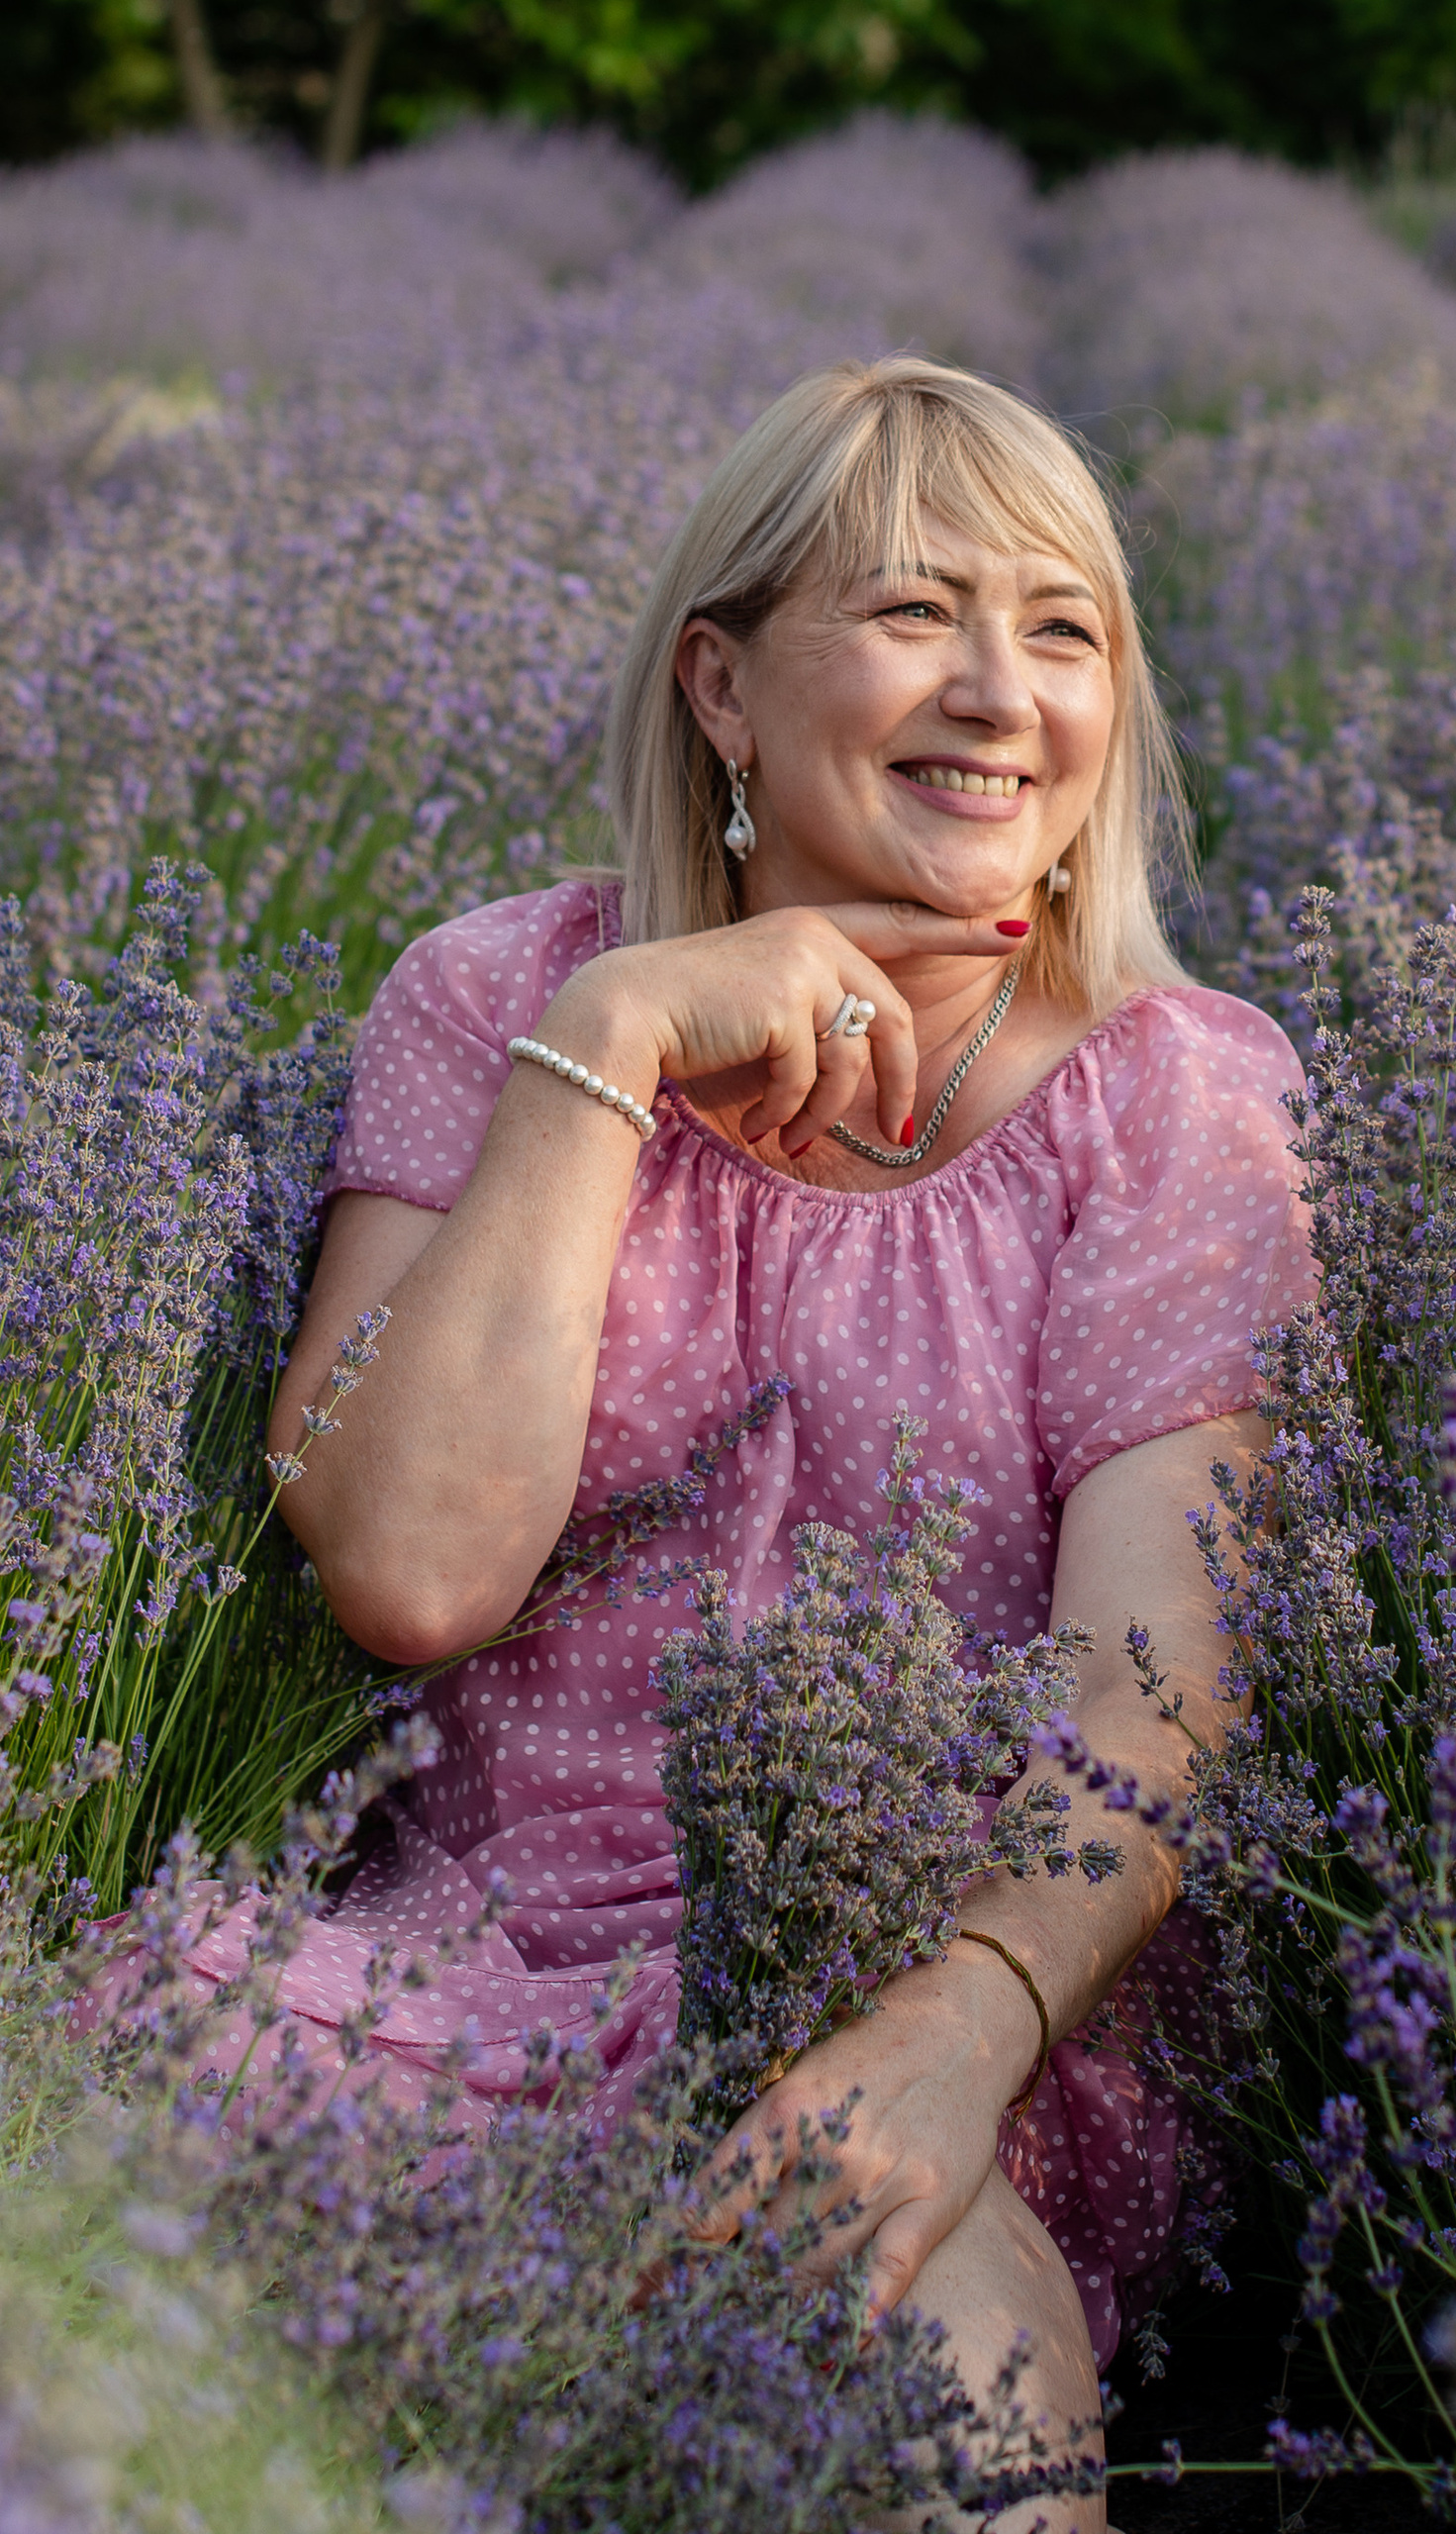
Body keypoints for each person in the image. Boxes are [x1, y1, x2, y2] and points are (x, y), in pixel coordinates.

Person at [239, 355, 1315, 2531]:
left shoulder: (1178, 1097)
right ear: (722, 685)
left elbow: (1145, 1690)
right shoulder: (499, 995)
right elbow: (410, 1568)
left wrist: (956, 2033)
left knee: (948, 2430)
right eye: (918, 613)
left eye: (1065, 628)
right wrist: (618, 1041)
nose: (1002, 692)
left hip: (928, 1982)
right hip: (452, 1981)